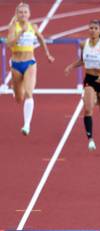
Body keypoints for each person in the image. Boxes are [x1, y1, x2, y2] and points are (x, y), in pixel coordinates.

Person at [64, 20, 100, 151]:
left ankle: (98, 99)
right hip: (89, 80)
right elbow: (82, 61)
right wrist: (71, 66)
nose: (92, 30)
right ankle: (90, 139)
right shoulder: (83, 44)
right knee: (88, 109)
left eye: (95, 28)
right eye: (90, 28)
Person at [6, 2, 54, 136]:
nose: (23, 14)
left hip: (30, 63)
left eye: (25, 12)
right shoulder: (13, 27)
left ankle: (26, 125)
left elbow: (41, 39)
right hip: (16, 64)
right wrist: (19, 34)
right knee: (19, 99)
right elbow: (8, 43)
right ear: (16, 14)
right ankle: (14, 88)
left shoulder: (33, 27)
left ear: (29, 14)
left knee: (28, 94)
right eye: (20, 12)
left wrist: (47, 54)